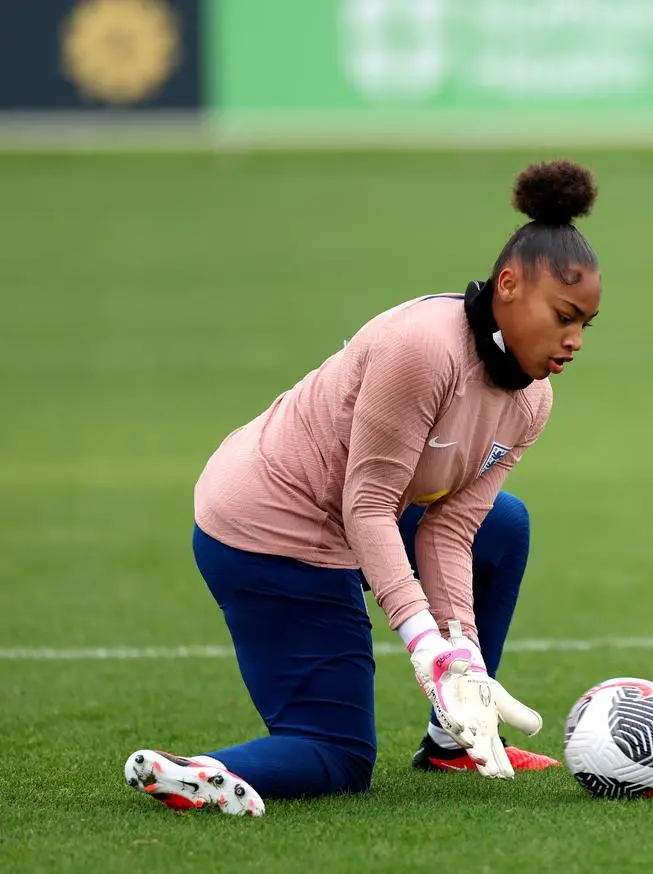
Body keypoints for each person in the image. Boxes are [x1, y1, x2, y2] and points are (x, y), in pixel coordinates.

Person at [122, 159, 603, 816]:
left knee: (501, 526)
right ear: (510, 286)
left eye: (586, 326)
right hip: (271, 530)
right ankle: (201, 772)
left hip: (353, 518)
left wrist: (460, 651)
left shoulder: (532, 401)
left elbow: (453, 526)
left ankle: (453, 740)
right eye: (564, 317)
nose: (574, 341)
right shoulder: (423, 350)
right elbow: (368, 504)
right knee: (339, 755)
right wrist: (425, 645)